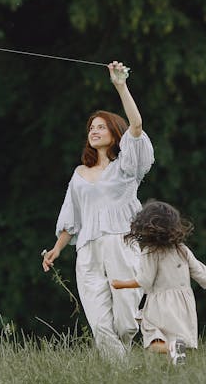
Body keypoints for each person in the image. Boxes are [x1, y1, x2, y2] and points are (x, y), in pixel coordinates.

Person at [41, 60, 153, 357]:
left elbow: (137, 127)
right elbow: (71, 217)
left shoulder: (126, 168)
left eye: (102, 127)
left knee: (126, 323)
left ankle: (125, 356)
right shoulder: (79, 174)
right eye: (92, 128)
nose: (95, 131)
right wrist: (56, 249)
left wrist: (120, 85)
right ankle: (121, 379)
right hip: (88, 251)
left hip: (122, 244)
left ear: (115, 134)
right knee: (100, 324)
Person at [109, 200, 206, 365]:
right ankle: (177, 357)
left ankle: (171, 348)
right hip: (183, 303)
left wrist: (121, 284)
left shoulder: (150, 252)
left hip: (159, 305)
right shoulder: (181, 249)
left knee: (152, 338)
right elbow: (199, 272)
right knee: (176, 335)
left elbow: (145, 280)